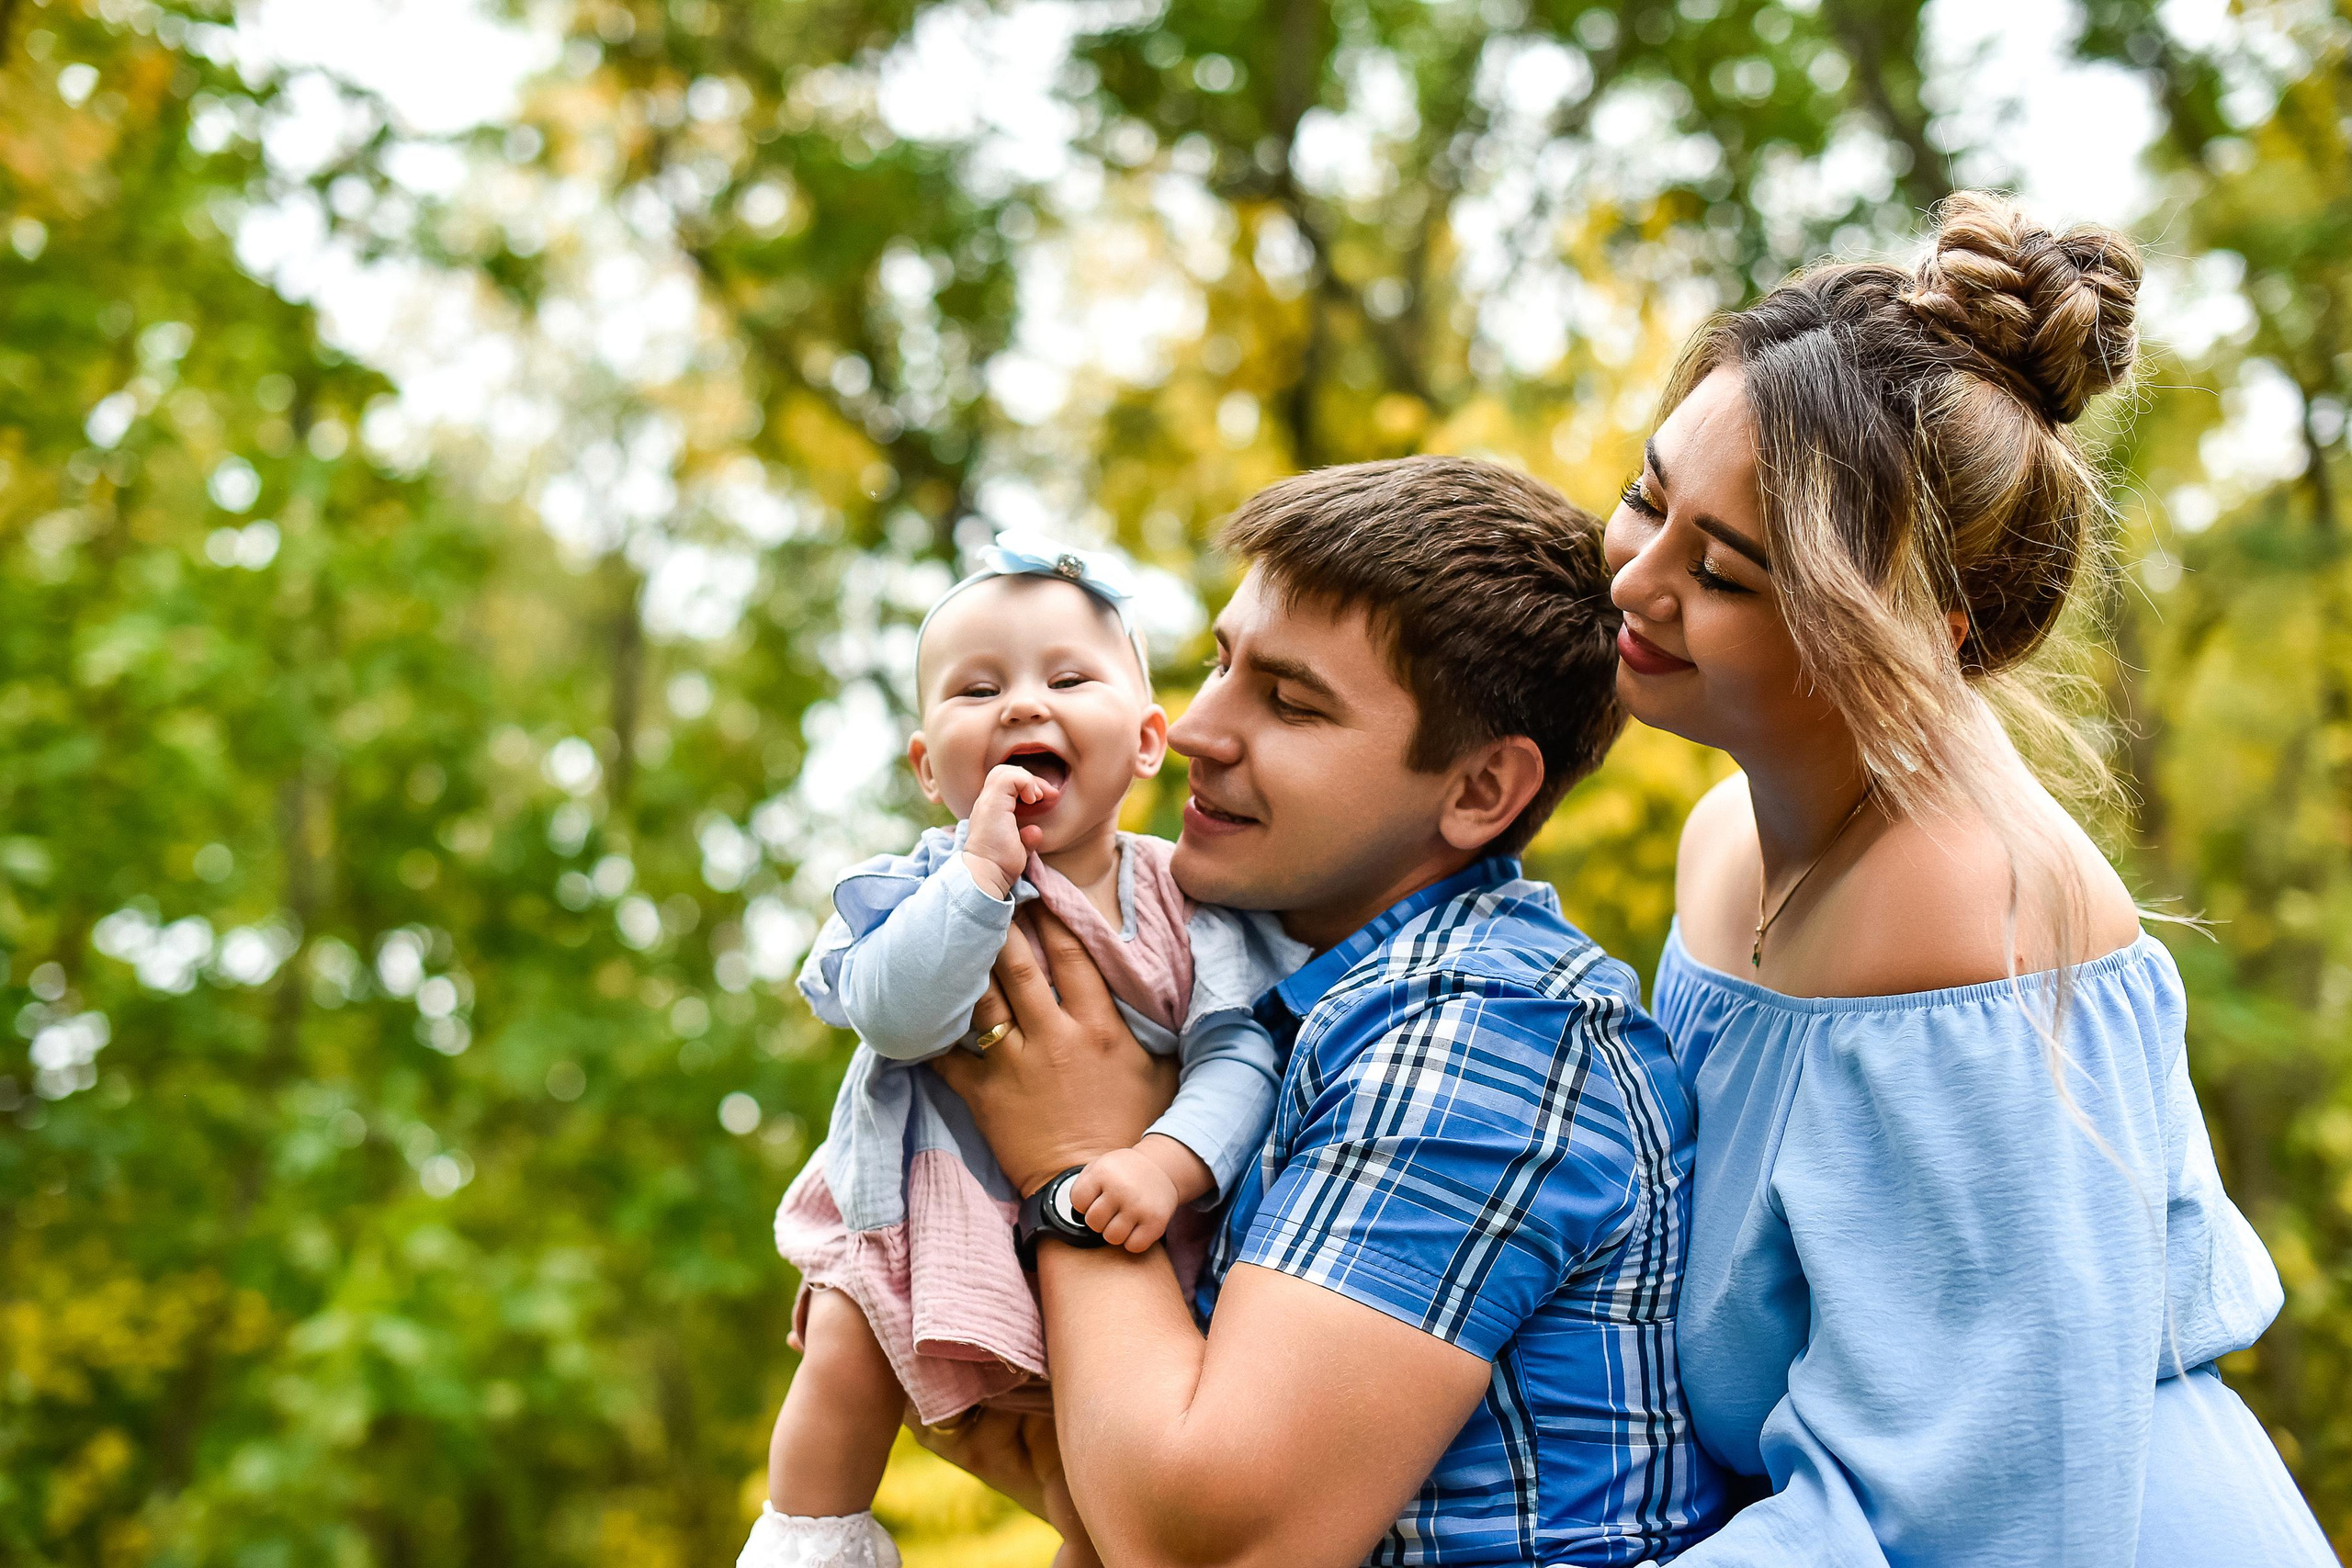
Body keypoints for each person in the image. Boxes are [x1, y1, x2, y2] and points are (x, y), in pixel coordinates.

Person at [1607, 191, 2335, 1562]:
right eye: (1649, 494)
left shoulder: (1954, 912)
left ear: (1912, 632)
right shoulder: (1729, 837)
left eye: (1725, 571)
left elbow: (1984, 1500)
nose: (1637, 579)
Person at [928, 457, 1733, 1566]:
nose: (1199, 729)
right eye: (1219, 662)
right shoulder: (1285, 1001)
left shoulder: (1480, 1030)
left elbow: (1205, 1546)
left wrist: (1072, 1163)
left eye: (1292, 702)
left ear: (1478, 792)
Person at [742, 536, 1301, 1568]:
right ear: (925, 767)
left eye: (1068, 676)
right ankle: (809, 1544)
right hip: (925, 1207)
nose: (1021, 705)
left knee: (1097, 1478)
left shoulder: (1195, 901)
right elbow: (898, 1014)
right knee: (843, 1356)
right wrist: (979, 877)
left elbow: (1239, 1056)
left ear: (1145, 741)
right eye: (976, 689)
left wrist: (1163, 1163)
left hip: (1122, 1229)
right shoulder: (908, 888)